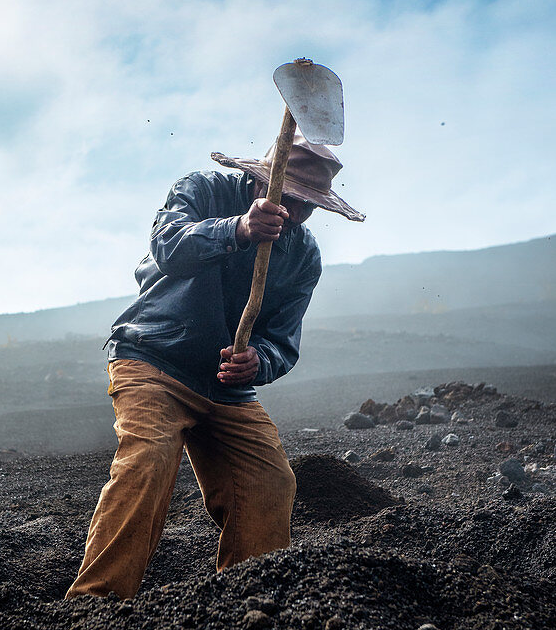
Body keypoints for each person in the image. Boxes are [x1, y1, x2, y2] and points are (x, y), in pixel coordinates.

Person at [66, 131, 364, 599]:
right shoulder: (202, 190)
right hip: (154, 360)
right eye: (288, 196)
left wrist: (257, 361)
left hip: (227, 390)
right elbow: (168, 247)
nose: (295, 211)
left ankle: (247, 606)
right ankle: (94, 606)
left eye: (308, 205)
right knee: (148, 463)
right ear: (262, 179)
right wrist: (239, 230)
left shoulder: (304, 255)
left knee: (270, 481)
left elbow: (283, 341)